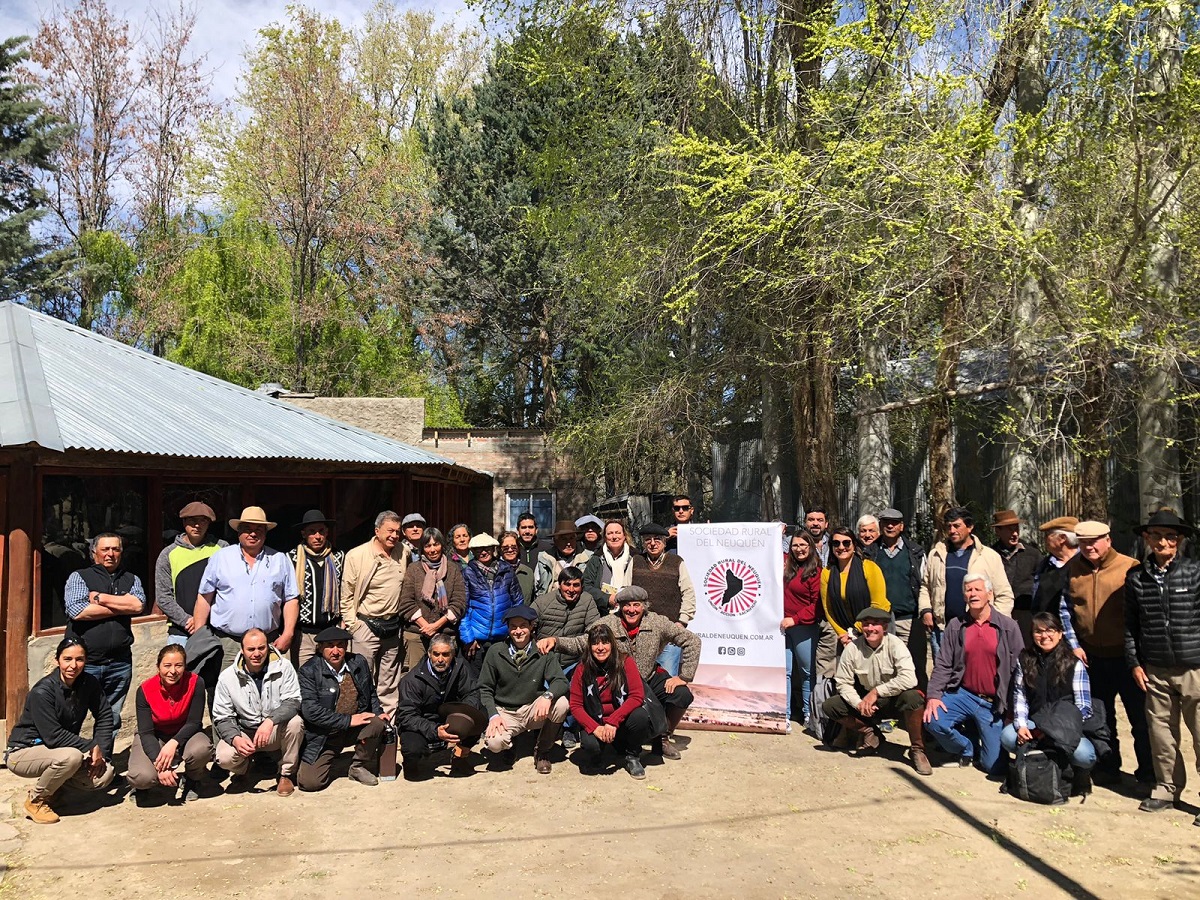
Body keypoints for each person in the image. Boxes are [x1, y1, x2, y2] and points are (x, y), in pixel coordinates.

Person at [545, 586, 700, 761]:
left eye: (636, 605)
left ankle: (662, 737)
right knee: (631, 716)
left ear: (644, 606)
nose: (631, 610)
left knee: (682, 695)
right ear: (619, 606)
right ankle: (621, 742)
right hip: (620, 684)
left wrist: (684, 676)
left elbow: (692, 641)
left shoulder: (658, 622)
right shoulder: (609, 623)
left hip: (649, 676)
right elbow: (582, 643)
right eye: (626, 605)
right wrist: (556, 641)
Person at [1058, 520, 1151, 783]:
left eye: (1094, 541)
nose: (1089, 547)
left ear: (1108, 540)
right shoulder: (1073, 569)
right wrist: (1074, 645)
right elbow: (1065, 610)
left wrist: (1138, 655)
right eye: (1083, 542)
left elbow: (1141, 614)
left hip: (1127, 657)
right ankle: (1107, 768)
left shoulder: (1130, 567)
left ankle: (1147, 775)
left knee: (1140, 720)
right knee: (1100, 718)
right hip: (1091, 657)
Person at [1125, 510, 1200, 818]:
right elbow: (1130, 625)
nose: (1163, 542)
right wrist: (1135, 663)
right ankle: (1166, 789)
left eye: (1170, 536)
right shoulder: (1136, 578)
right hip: (1154, 667)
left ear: (1179, 540)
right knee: (1160, 734)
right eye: (1156, 535)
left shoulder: (1195, 572)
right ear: (1147, 538)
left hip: (1194, 667)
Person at [924, 574, 1025, 776]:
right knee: (932, 720)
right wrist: (933, 696)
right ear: (964, 597)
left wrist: (1013, 711)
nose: (973, 594)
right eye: (969, 590)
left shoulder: (1008, 627)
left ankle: (981, 739)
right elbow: (943, 663)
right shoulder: (956, 625)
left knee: (994, 768)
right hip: (964, 694)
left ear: (990, 594)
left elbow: (1019, 672)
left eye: (978, 589)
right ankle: (967, 747)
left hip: (994, 703)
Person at [6, 638, 115, 825]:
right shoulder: (43, 692)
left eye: (79, 659)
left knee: (105, 774)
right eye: (67, 659)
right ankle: (36, 801)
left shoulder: (88, 683)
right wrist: (90, 745)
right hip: (23, 752)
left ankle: (54, 790)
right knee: (71, 757)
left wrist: (101, 750)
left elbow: (104, 715)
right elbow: (53, 736)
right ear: (57, 660)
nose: (73, 665)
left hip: (56, 750)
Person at [62, 532, 147, 753]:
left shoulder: (131, 579)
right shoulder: (79, 577)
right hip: (84, 662)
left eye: (115, 549)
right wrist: (120, 605)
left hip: (119, 662)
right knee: (72, 715)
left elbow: (138, 606)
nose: (110, 554)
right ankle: (69, 767)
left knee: (110, 717)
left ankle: (103, 764)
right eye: (105, 549)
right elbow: (77, 610)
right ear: (94, 553)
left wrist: (100, 598)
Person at [821, 607, 930, 775]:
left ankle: (917, 750)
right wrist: (859, 704)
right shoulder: (852, 648)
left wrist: (876, 692)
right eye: (866, 624)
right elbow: (843, 683)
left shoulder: (896, 644)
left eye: (875, 624)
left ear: (885, 627)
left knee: (913, 697)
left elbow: (910, 678)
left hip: (894, 700)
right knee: (831, 705)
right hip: (867, 703)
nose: (870, 628)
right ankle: (870, 732)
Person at [195, 506, 300, 673]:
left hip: (267, 642)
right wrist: (199, 636)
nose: (253, 534)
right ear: (238, 532)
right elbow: (204, 597)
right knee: (225, 692)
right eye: (247, 529)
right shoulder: (220, 558)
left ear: (265, 533)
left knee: (268, 690)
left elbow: (291, 599)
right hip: (227, 643)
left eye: (258, 529)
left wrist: (288, 634)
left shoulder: (280, 560)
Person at [1001, 612, 1095, 792]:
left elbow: (1084, 707)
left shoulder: (1074, 663)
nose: (1044, 636)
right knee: (1008, 736)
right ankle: (1039, 762)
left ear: (1060, 633)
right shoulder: (1025, 659)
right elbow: (1020, 696)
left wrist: (1054, 730)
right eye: (1038, 631)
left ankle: (1078, 772)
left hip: (1066, 726)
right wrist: (1021, 725)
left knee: (1085, 755)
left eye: (1050, 630)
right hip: (1034, 723)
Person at [211, 628, 305, 797]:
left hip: (273, 730)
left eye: (261, 648)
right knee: (224, 757)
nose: (256, 654)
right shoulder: (227, 677)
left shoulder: (284, 667)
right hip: (245, 731)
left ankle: (285, 773)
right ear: (242, 650)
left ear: (268, 648)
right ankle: (243, 771)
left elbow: (293, 701)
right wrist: (235, 738)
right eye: (251, 649)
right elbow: (222, 716)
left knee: (296, 723)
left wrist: (270, 721)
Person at [478, 605, 570, 774]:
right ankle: (509, 747)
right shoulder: (495, 652)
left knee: (562, 704)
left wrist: (547, 696)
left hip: (532, 709)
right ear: (508, 629)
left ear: (531, 627)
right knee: (494, 743)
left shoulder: (542, 652)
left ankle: (542, 751)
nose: (518, 631)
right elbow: (484, 688)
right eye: (513, 626)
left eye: (523, 626)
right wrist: (493, 714)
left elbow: (561, 681)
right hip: (505, 711)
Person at [297, 626, 388, 791]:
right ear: (320, 648)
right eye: (330, 645)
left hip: (354, 728)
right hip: (325, 734)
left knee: (377, 723)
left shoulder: (358, 662)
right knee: (310, 783)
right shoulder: (309, 671)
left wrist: (378, 712)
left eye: (340, 645)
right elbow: (311, 711)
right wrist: (348, 720)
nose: (335, 650)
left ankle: (358, 766)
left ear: (346, 646)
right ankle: (326, 757)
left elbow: (371, 692)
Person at [341, 511, 407, 717]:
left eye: (397, 532)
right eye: (390, 531)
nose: (394, 536)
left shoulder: (403, 552)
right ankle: (364, 720)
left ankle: (388, 722)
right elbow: (347, 595)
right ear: (377, 531)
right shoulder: (356, 555)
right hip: (366, 625)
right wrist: (354, 626)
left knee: (389, 681)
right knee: (363, 677)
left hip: (392, 626)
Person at [128, 645, 215, 803]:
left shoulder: (196, 683)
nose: (173, 671)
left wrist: (174, 743)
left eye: (178, 665)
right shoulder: (145, 690)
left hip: (185, 733)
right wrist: (161, 765)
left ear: (185, 666)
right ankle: (143, 787)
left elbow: (194, 722)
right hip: (155, 736)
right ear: (158, 667)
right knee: (141, 776)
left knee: (202, 749)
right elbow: (146, 732)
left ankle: (192, 779)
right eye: (167, 665)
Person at [919, 507, 1014, 648]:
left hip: (977, 630)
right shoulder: (936, 555)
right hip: (942, 631)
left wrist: (993, 623)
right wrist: (925, 610)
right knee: (943, 670)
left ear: (970, 527)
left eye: (957, 526)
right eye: (948, 526)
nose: (952, 531)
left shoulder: (988, 556)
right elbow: (926, 587)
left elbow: (1004, 595)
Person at [395, 633, 486, 779]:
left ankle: (460, 757)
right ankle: (412, 763)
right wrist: (434, 730)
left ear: (453, 655)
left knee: (479, 713)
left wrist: (461, 717)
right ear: (429, 654)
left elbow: (472, 692)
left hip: (448, 717)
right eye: (436, 654)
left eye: (445, 654)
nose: (440, 659)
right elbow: (407, 716)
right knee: (413, 749)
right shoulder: (412, 680)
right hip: (422, 722)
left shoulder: (461, 667)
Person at [570, 623, 654, 779]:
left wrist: (613, 721)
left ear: (612, 644)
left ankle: (632, 756)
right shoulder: (582, 668)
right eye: (595, 643)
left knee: (640, 716)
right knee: (590, 746)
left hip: (619, 720)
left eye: (605, 642)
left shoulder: (625, 661)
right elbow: (575, 705)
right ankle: (598, 755)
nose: (600, 647)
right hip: (596, 721)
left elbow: (636, 695)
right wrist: (595, 728)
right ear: (589, 646)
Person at [870, 507, 929, 691]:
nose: (890, 526)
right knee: (884, 668)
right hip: (881, 621)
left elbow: (925, 583)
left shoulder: (916, 552)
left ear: (901, 526)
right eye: (886, 522)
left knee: (915, 665)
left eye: (894, 523)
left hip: (910, 620)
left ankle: (919, 709)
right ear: (880, 525)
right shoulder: (869, 553)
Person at [155, 501, 226, 649]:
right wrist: (187, 621)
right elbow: (163, 596)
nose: (197, 525)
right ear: (184, 522)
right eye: (192, 520)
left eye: (203, 520)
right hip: (181, 631)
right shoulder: (168, 554)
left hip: (216, 629)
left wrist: (204, 620)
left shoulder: (223, 549)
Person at [631, 522, 697, 677]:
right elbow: (627, 591)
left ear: (665, 542)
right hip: (641, 632)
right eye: (648, 539)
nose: (652, 543)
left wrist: (682, 621)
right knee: (640, 678)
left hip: (669, 632)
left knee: (667, 678)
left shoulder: (676, 562)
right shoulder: (635, 561)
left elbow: (688, 593)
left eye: (657, 539)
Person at [399, 527, 467, 673]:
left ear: (442, 545)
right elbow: (406, 602)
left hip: (446, 634)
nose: (432, 549)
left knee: (444, 677)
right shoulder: (413, 569)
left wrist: (436, 626)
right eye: (428, 546)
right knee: (417, 676)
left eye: (436, 544)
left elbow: (459, 602)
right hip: (417, 634)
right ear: (422, 548)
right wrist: (425, 626)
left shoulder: (453, 569)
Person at [286, 509, 345, 670]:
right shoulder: (291, 559)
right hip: (303, 634)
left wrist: (344, 623)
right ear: (304, 534)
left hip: (331, 633)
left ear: (327, 533)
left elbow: (346, 593)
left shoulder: (339, 557)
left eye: (321, 531)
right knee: (304, 676)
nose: (317, 536)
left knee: (331, 677)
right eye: (312, 532)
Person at [461, 533, 523, 678]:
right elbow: (463, 608)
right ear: (473, 552)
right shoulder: (468, 573)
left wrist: (513, 632)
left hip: (502, 637)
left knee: (500, 678)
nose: (483, 552)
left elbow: (518, 603)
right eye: (478, 550)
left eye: (487, 549)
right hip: (476, 639)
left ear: (494, 549)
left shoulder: (507, 571)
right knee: (475, 680)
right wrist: (468, 638)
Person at [821, 527, 890, 649]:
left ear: (854, 545)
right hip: (844, 638)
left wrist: (855, 630)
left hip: (871, 631)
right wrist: (842, 633)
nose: (841, 547)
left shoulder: (869, 567)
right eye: (836, 543)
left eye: (846, 542)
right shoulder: (827, 573)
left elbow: (878, 604)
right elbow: (828, 609)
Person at [782, 529, 822, 729]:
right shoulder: (785, 566)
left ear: (811, 547)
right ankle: (785, 714)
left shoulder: (816, 571)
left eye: (803, 545)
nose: (799, 549)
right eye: (795, 545)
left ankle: (808, 713)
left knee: (806, 673)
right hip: (781, 627)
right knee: (784, 672)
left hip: (803, 628)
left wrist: (795, 620)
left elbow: (817, 605)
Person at [991, 509, 1042, 647]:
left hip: (1026, 613)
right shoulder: (990, 555)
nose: (1014, 533)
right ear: (998, 532)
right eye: (1009, 529)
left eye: (1016, 528)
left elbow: (1041, 582)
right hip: (999, 612)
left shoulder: (1033, 554)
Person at [582, 520, 635, 614]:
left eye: (618, 533)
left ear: (624, 536)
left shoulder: (636, 558)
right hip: (602, 612)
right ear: (605, 537)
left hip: (632, 611)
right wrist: (607, 598)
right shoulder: (597, 558)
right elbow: (586, 585)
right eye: (610, 533)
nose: (614, 537)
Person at [1031, 516, 1079, 614]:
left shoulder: (1083, 562)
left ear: (1062, 538)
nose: (1044, 539)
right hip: (1048, 626)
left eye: (1048, 535)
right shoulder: (1045, 564)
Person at [535, 520, 594, 596]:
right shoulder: (544, 559)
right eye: (564, 539)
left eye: (571, 538)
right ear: (555, 541)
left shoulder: (588, 559)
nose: (568, 543)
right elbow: (537, 586)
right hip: (551, 604)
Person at [499, 530, 537, 602]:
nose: (510, 550)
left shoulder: (528, 572)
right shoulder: (494, 571)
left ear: (518, 548)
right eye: (505, 547)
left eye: (513, 547)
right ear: (499, 549)